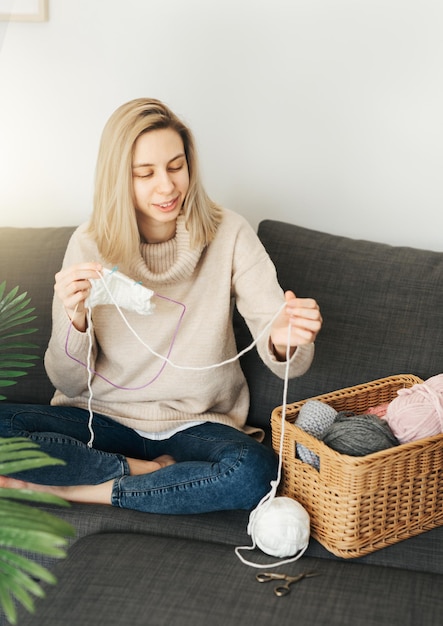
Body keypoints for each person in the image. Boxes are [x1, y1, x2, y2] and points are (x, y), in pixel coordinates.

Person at [0, 98, 322, 514]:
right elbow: (69, 382)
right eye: (145, 174)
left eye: (175, 166)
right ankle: (143, 470)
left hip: (196, 426)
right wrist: (74, 319)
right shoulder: (89, 243)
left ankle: (77, 490)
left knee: (256, 472)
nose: (167, 186)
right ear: (119, 179)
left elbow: (289, 361)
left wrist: (285, 341)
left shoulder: (229, 233)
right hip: (100, 420)